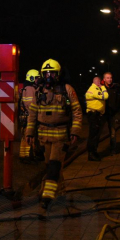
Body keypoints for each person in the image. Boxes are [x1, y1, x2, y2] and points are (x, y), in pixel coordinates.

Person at [25, 58, 83, 207]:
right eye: (46, 73)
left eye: (52, 73)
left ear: (58, 74)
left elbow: (77, 111)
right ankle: (61, 194)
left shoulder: (67, 89)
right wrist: (29, 133)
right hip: (44, 136)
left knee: (54, 166)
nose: (49, 76)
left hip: (61, 136)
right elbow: (32, 114)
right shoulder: (39, 92)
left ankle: (47, 198)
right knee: (50, 166)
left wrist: (75, 131)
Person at [18, 69, 44, 163]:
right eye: (37, 78)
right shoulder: (30, 89)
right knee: (28, 137)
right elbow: (31, 105)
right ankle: (26, 157)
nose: (38, 80)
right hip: (28, 117)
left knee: (28, 137)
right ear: (32, 78)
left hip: (26, 117)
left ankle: (27, 156)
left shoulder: (28, 88)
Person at [85, 75, 109, 161]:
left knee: (96, 134)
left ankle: (94, 152)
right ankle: (91, 154)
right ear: (98, 82)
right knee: (93, 135)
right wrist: (103, 87)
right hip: (93, 115)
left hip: (96, 114)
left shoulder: (94, 89)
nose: (101, 83)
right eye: (100, 82)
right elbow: (105, 96)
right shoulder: (94, 90)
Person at [101, 72, 120, 155]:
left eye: (111, 77)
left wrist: (116, 110)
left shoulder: (115, 88)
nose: (110, 79)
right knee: (98, 132)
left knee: (113, 133)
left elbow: (118, 100)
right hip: (102, 114)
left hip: (111, 114)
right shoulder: (101, 88)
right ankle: (95, 151)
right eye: (108, 78)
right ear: (104, 79)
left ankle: (113, 149)